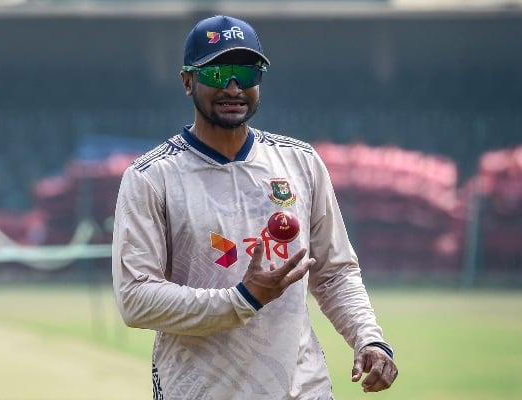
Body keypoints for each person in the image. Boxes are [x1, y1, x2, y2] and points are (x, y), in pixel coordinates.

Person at [111, 15, 398, 400]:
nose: (233, 86)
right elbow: (136, 299)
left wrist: (369, 339)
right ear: (187, 81)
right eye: (218, 73)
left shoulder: (301, 163)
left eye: (247, 73)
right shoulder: (151, 177)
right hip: (200, 390)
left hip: (302, 389)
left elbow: (334, 273)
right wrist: (242, 299)